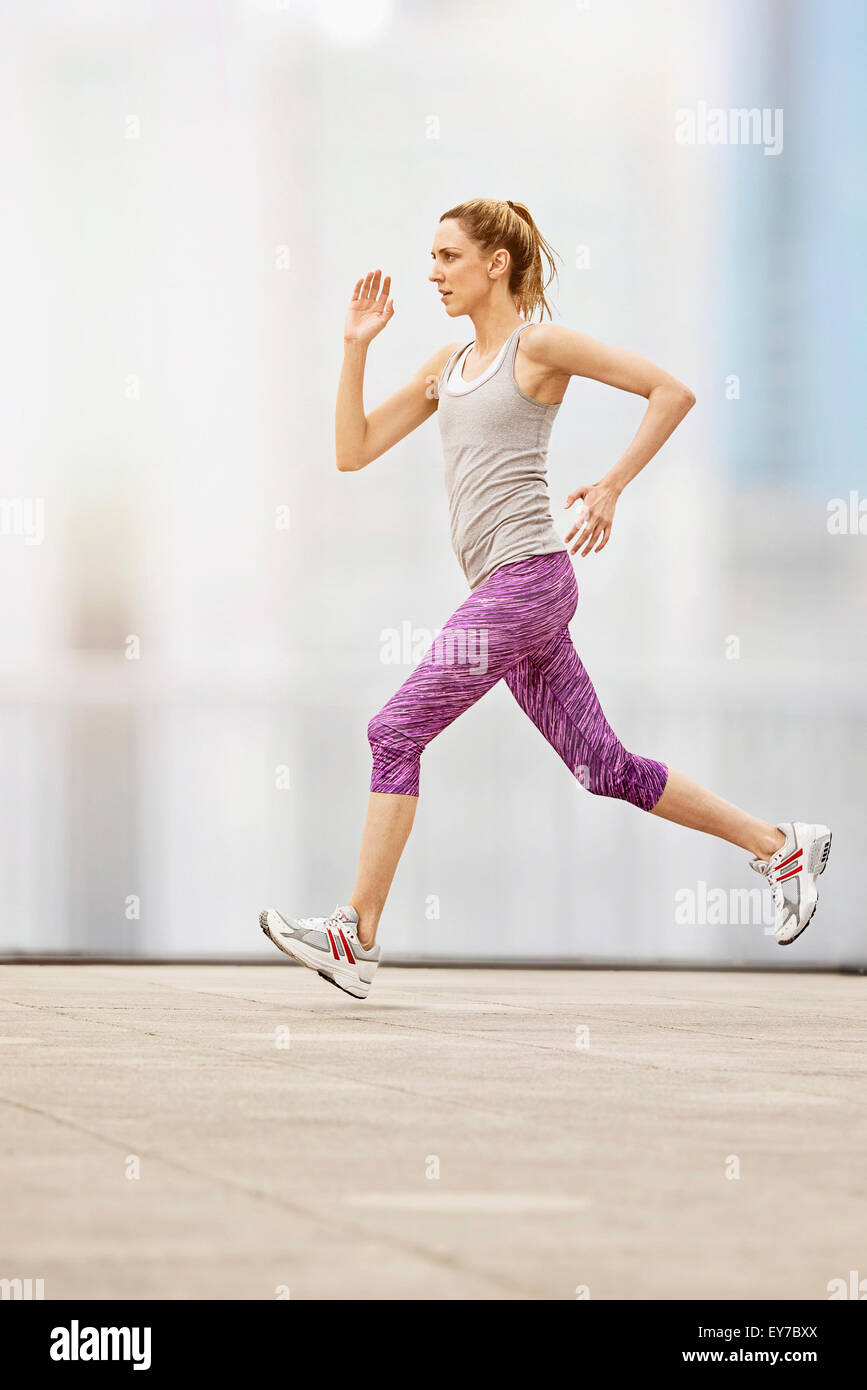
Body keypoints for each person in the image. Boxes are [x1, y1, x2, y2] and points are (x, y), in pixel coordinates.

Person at [260, 197, 832, 999]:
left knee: (394, 728)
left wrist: (611, 487)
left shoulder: (539, 345)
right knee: (603, 766)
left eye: (448, 257)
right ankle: (779, 845)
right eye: (430, 257)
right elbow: (352, 451)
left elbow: (669, 392)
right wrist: (355, 348)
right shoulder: (444, 367)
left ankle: (355, 932)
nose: (432, 273)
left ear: (496, 264)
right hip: (510, 591)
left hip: (526, 580)